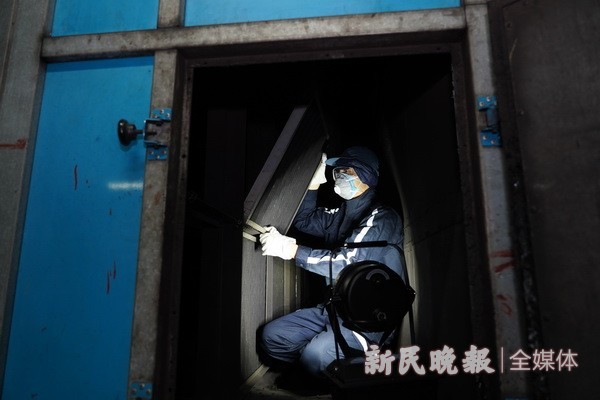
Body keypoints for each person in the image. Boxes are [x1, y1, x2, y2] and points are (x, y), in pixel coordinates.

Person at [258, 146, 406, 380]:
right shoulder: (341, 214)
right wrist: (313, 185)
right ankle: (323, 366)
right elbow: (303, 220)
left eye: (347, 171)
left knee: (314, 356)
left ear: (366, 175)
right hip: (335, 309)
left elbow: (346, 264)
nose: (339, 176)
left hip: (367, 321)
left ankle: (335, 366)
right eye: (338, 171)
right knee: (272, 337)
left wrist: (291, 250)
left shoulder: (382, 218)